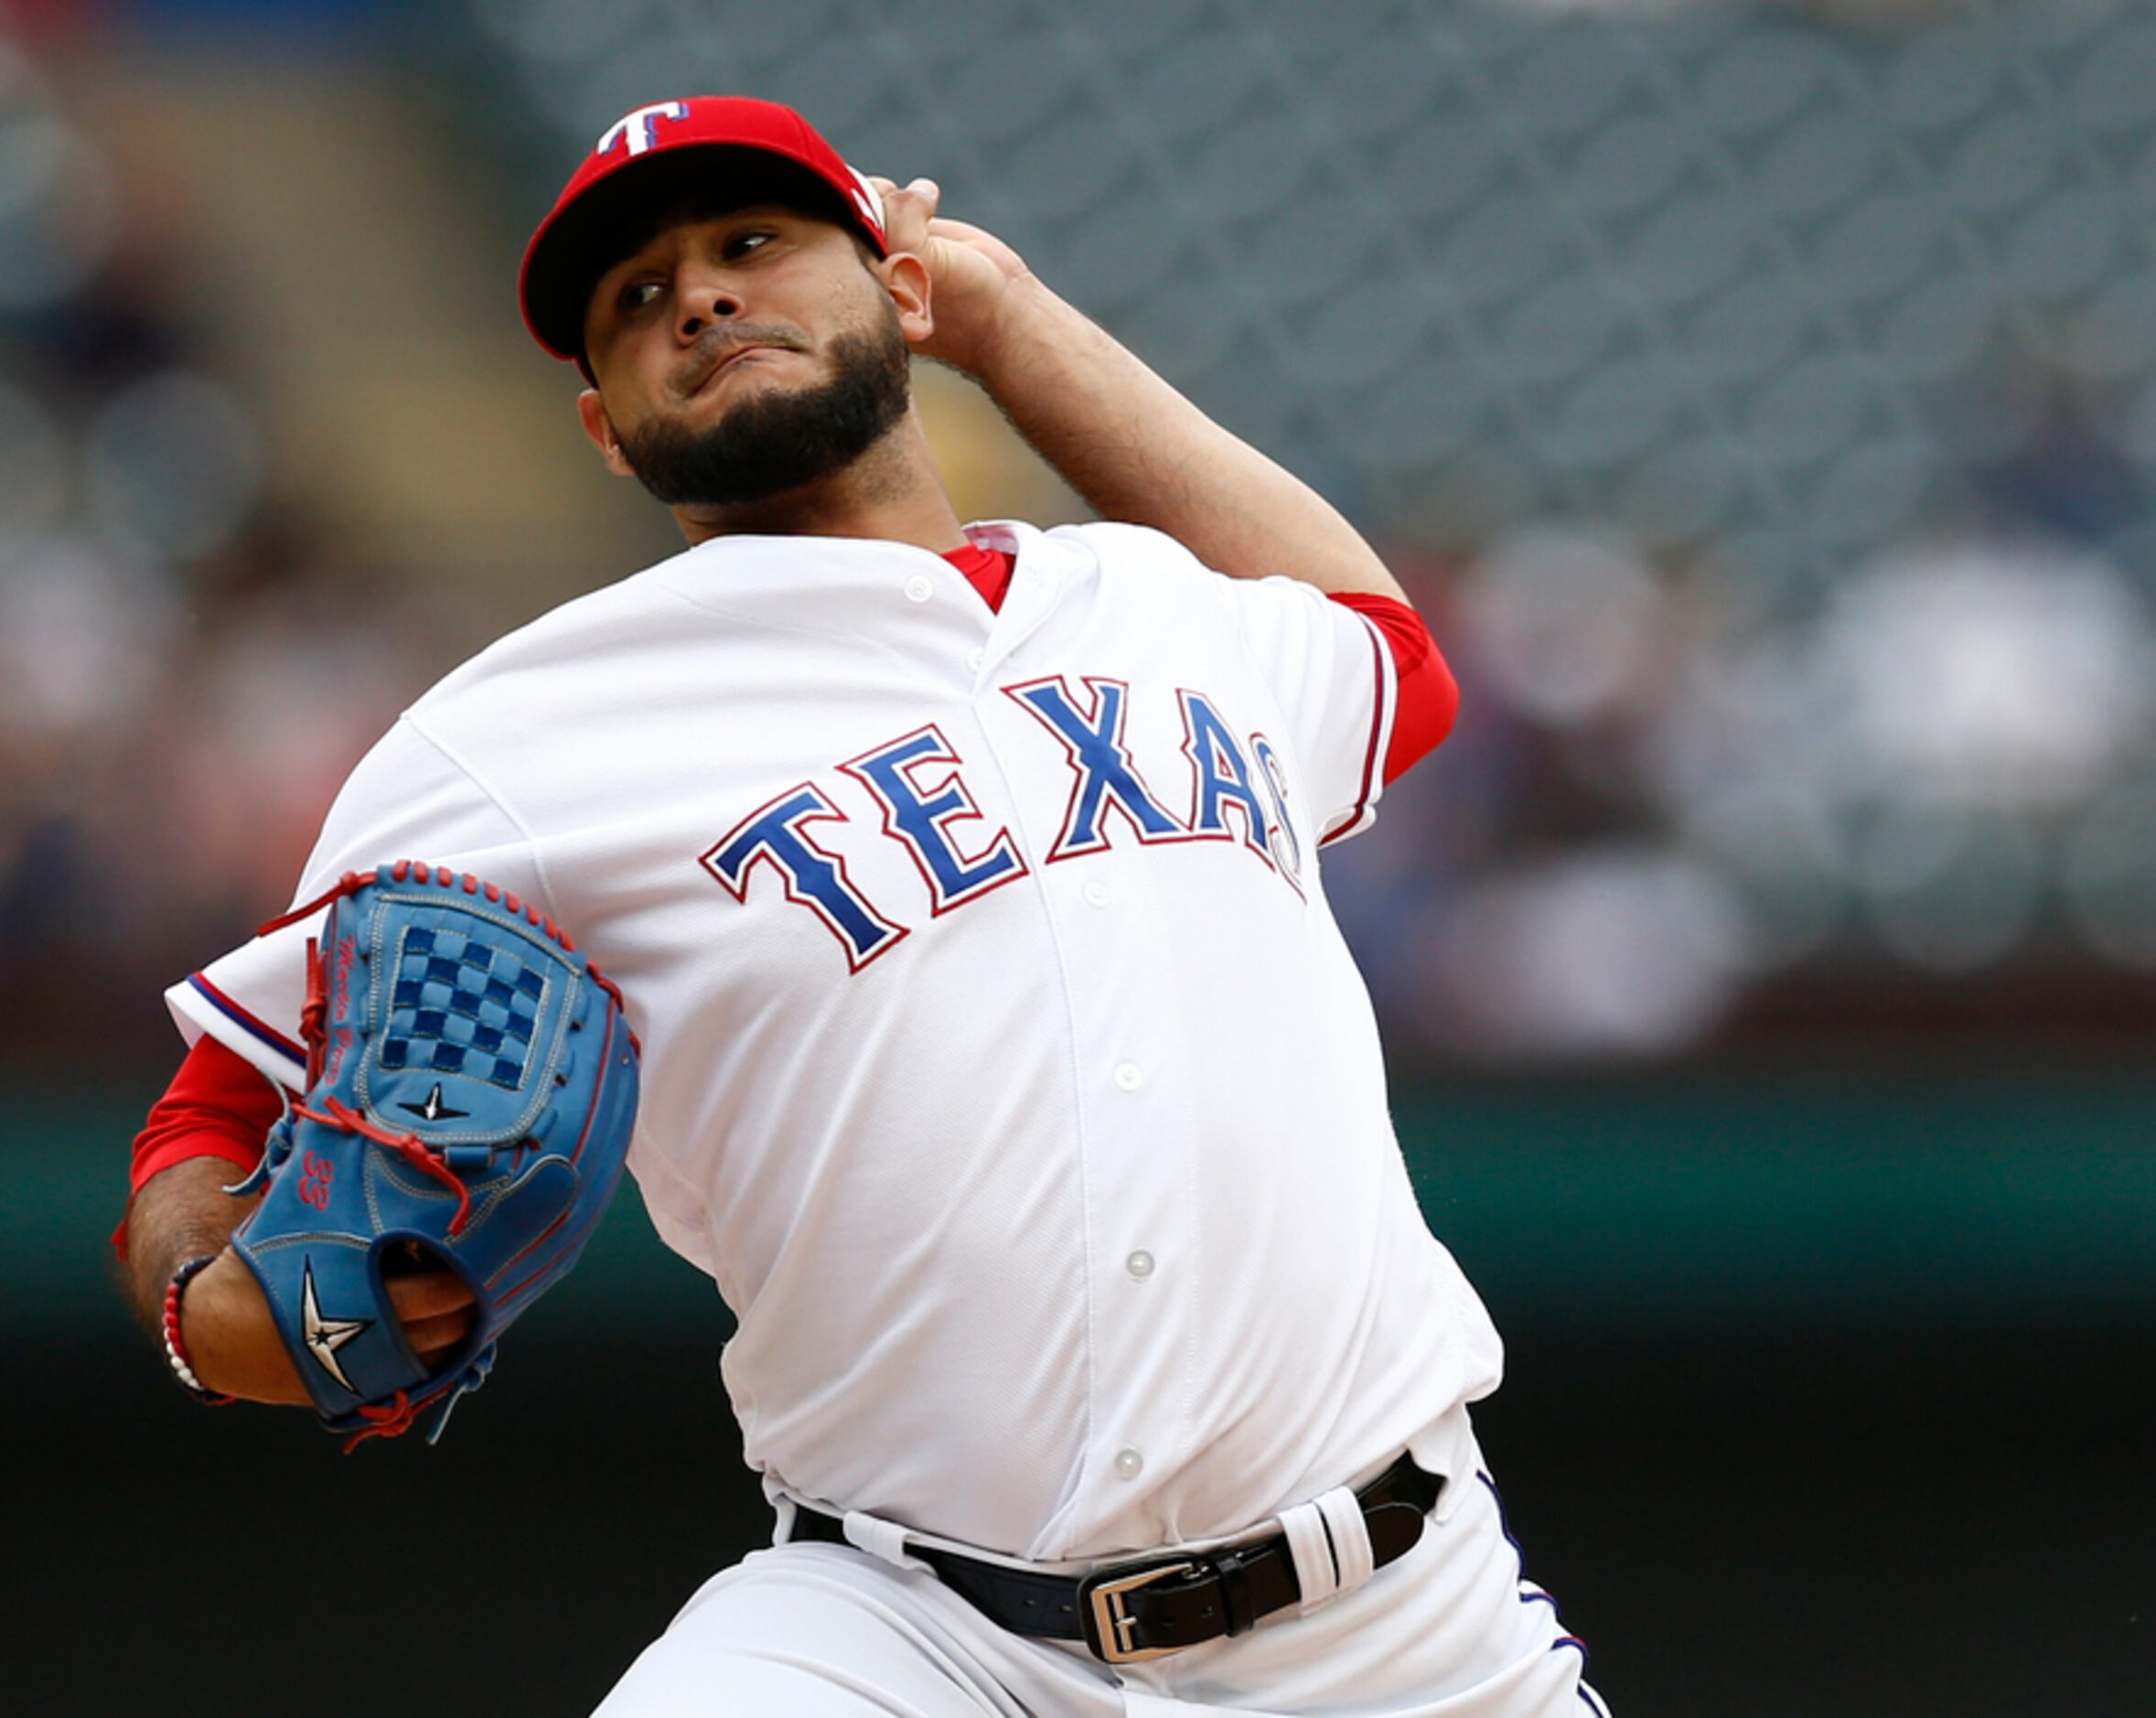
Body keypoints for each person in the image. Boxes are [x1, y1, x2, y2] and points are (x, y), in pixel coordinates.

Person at [115, 96, 1606, 1716]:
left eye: (752, 244)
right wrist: (209, 1310)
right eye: (636, 300)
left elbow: (1395, 657)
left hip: (1403, 1629)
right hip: (911, 1635)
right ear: (609, 431)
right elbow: (209, 1114)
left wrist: (1015, 326)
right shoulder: (515, 738)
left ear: (900, 291)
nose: (697, 296)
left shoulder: (1160, 606)